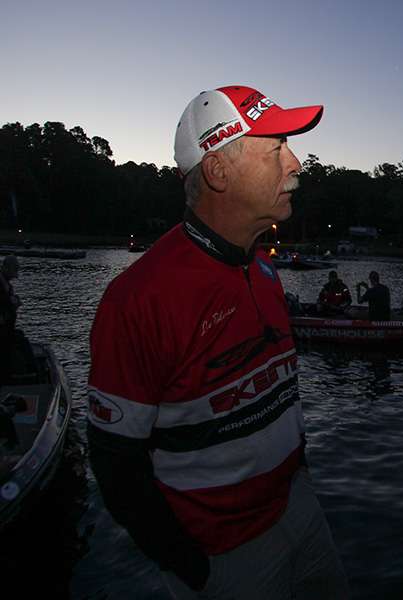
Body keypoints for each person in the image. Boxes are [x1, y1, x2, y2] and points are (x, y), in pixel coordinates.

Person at [86, 85, 348, 599]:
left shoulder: (263, 268)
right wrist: (190, 566)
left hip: (300, 510)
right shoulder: (140, 299)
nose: (296, 165)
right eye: (276, 149)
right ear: (218, 171)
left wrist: (301, 483)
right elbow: (115, 461)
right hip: (225, 555)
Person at [0, 255, 21, 384]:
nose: (14, 276)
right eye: (13, 272)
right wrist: (11, 302)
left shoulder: (6, 285)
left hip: (7, 330)